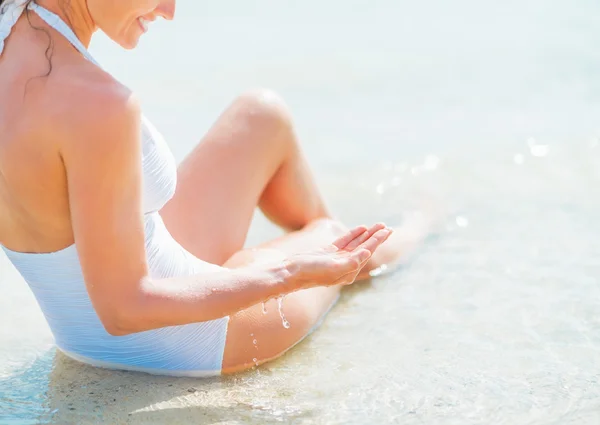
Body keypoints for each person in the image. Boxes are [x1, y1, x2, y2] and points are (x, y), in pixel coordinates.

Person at [0, 0, 425, 376]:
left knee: (262, 117)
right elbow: (124, 309)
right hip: (181, 344)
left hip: (120, 289)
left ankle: (342, 260)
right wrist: (290, 274)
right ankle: (422, 224)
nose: (169, 10)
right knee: (335, 241)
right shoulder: (96, 103)